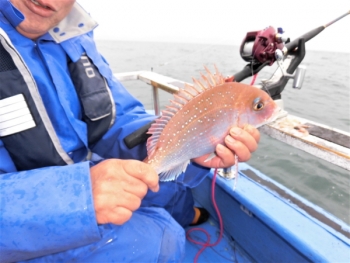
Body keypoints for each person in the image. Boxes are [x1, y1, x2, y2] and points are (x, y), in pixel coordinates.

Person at [0, 0, 260, 262]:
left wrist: (193, 148)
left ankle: (185, 211)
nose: (49, 1)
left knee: (172, 194)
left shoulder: (73, 39)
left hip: (83, 178)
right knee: (154, 239)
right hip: (32, 215)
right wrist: (75, 197)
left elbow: (116, 121)